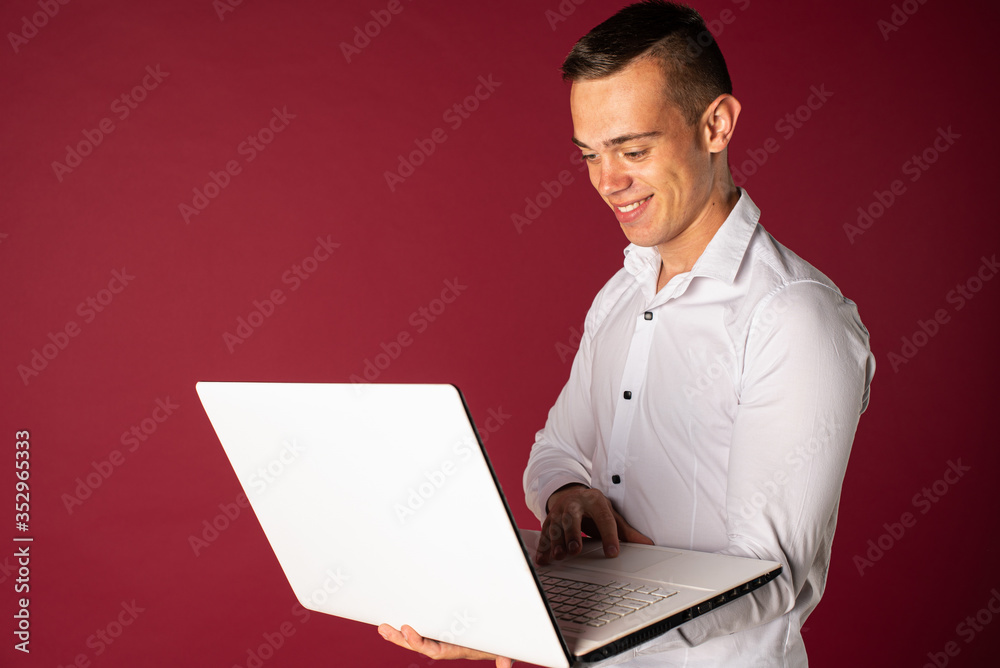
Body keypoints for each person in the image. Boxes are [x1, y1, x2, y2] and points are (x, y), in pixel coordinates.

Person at [379, 1, 875, 665]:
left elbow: (770, 575)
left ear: (716, 125)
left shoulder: (793, 318)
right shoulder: (620, 295)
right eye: (589, 154)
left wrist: (539, 624)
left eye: (633, 150)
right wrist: (569, 497)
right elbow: (553, 451)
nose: (608, 183)